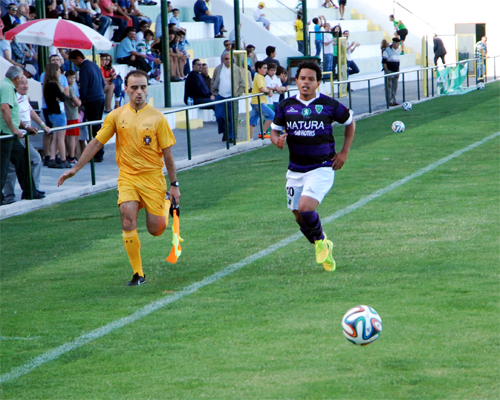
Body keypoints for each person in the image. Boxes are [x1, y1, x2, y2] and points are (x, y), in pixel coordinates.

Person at [58, 70, 180, 286]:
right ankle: (138, 273)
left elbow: (168, 154)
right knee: (127, 218)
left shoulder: (157, 118)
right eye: (134, 88)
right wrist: (75, 168)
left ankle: (166, 204)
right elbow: (96, 143)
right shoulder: (116, 116)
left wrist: (174, 186)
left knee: (156, 229)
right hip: (127, 178)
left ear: (147, 89)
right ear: (126, 89)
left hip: (152, 178)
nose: (139, 92)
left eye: (143, 87)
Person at [270, 61, 355, 271]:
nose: (306, 83)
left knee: (306, 208)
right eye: (302, 78)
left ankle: (320, 243)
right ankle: (323, 245)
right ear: (296, 81)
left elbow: (350, 122)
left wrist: (344, 152)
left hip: (321, 166)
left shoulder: (329, 104)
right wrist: (277, 140)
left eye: (310, 79)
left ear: (318, 82)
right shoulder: (286, 106)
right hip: (295, 169)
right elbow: (274, 131)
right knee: (299, 216)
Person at [2, 73, 47, 204]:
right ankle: (10, 196)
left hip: (19, 134)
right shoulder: (9, 91)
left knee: (25, 161)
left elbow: (27, 111)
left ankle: (30, 190)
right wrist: (16, 129)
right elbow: (7, 110)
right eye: (22, 82)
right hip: (12, 134)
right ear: (16, 81)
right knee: (9, 166)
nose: (25, 85)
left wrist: (41, 125)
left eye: (26, 82)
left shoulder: (20, 95)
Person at [69, 50, 106, 162]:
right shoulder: (94, 65)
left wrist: (81, 100)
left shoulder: (84, 68)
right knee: (97, 126)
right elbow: (103, 83)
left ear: (79, 58)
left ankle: (97, 154)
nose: (74, 64)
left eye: (74, 61)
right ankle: (98, 152)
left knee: (94, 128)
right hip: (100, 97)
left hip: (92, 100)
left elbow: (84, 87)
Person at [211, 51, 245, 142]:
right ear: (222, 60)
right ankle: (224, 131)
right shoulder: (218, 69)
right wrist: (214, 92)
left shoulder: (237, 69)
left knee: (232, 117)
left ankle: (231, 136)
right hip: (220, 96)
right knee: (219, 116)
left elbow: (242, 83)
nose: (228, 61)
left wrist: (238, 94)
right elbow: (213, 80)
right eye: (226, 59)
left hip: (232, 97)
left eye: (230, 59)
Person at [43, 63, 71, 169]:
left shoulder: (48, 84)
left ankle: (52, 158)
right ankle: (64, 159)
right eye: (58, 70)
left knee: (55, 137)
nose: (59, 72)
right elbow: (63, 97)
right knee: (60, 138)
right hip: (58, 113)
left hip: (54, 113)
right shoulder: (53, 85)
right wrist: (62, 92)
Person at [249, 61, 274, 138]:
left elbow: (264, 89)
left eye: (266, 68)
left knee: (253, 121)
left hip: (256, 101)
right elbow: (261, 89)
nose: (266, 70)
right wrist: (269, 91)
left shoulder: (261, 77)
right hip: (258, 102)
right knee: (272, 115)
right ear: (258, 69)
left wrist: (269, 91)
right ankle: (262, 132)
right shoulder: (258, 76)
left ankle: (250, 139)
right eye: (264, 68)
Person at [64, 70, 81, 164]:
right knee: (72, 136)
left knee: (74, 136)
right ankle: (71, 156)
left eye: (74, 77)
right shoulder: (69, 89)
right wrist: (79, 102)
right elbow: (77, 102)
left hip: (72, 114)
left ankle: (71, 155)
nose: (72, 79)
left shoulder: (71, 88)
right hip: (71, 115)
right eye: (70, 77)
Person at [382, 37, 401, 106]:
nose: (398, 45)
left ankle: (394, 100)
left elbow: (398, 60)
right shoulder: (387, 50)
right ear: (393, 43)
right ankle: (389, 101)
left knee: (394, 86)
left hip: (396, 70)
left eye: (398, 44)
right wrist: (387, 72)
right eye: (397, 44)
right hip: (389, 70)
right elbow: (384, 62)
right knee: (388, 87)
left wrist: (398, 70)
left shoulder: (398, 50)